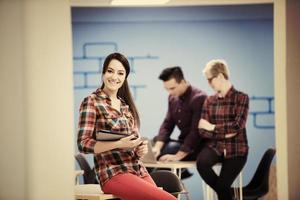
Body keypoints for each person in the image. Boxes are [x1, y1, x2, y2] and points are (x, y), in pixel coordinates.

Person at [77, 52, 176, 200]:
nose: (114, 77)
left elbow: (131, 146)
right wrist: (118, 143)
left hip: (137, 169)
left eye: (120, 73)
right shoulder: (91, 101)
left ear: (125, 77)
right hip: (112, 172)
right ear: (103, 73)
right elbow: (83, 144)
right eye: (110, 71)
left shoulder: (125, 106)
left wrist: (138, 149)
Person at [196, 59, 249, 200]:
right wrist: (225, 134)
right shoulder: (209, 100)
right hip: (216, 146)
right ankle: (225, 192)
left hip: (237, 150)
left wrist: (212, 127)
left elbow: (238, 126)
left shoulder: (242, 98)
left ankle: (224, 191)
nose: (208, 84)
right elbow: (201, 130)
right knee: (201, 163)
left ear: (219, 76)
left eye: (209, 79)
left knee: (222, 186)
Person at [152, 66, 207, 175]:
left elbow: (196, 132)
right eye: (166, 89)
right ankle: (152, 185)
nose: (169, 92)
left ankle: (162, 184)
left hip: (198, 146)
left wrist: (178, 156)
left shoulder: (199, 98)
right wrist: (157, 148)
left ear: (182, 82)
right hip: (182, 142)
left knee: (168, 150)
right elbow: (167, 124)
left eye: (172, 88)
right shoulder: (172, 98)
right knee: (153, 145)